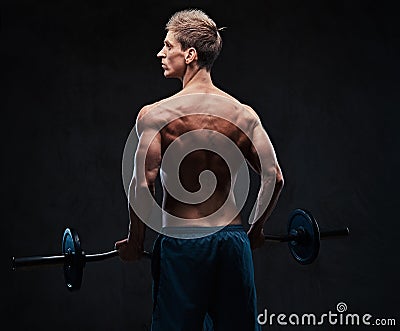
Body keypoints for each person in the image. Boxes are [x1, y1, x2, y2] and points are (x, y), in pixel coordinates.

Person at [115, 8, 284, 331]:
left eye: (168, 46)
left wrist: (136, 242)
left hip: (182, 243)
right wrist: (256, 229)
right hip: (233, 242)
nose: (160, 53)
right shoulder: (243, 114)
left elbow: (143, 186)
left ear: (190, 54)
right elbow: (273, 176)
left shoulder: (156, 115)